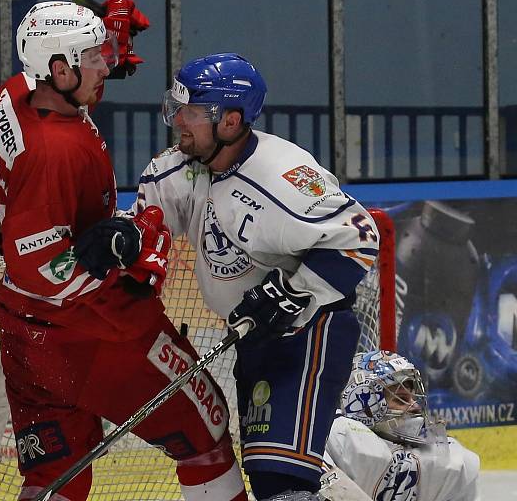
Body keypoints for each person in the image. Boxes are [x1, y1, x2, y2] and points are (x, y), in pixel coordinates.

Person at [0, 0, 247, 501]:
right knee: (205, 432)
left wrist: (110, 38)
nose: (106, 66)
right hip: (85, 332)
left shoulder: (15, 92)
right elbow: (38, 264)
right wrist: (126, 256)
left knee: (53, 475)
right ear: (59, 69)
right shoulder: (55, 153)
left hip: (23, 333)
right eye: (94, 58)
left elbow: (66, 76)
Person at [133, 52, 380, 501]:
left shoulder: (283, 174)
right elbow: (145, 236)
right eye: (179, 108)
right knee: (272, 479)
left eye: (193, 112)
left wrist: (290, 292)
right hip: (253, 335)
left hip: (310, 331)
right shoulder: (176, 170)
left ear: (230, 121)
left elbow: (359, 238)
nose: (180, 122)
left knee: (282, 481)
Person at [326, 350, 480, 500]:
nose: (415, 406)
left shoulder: (451, 455)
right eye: (400, 399)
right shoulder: (340, 436)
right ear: (364, 405)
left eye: (413, 398)